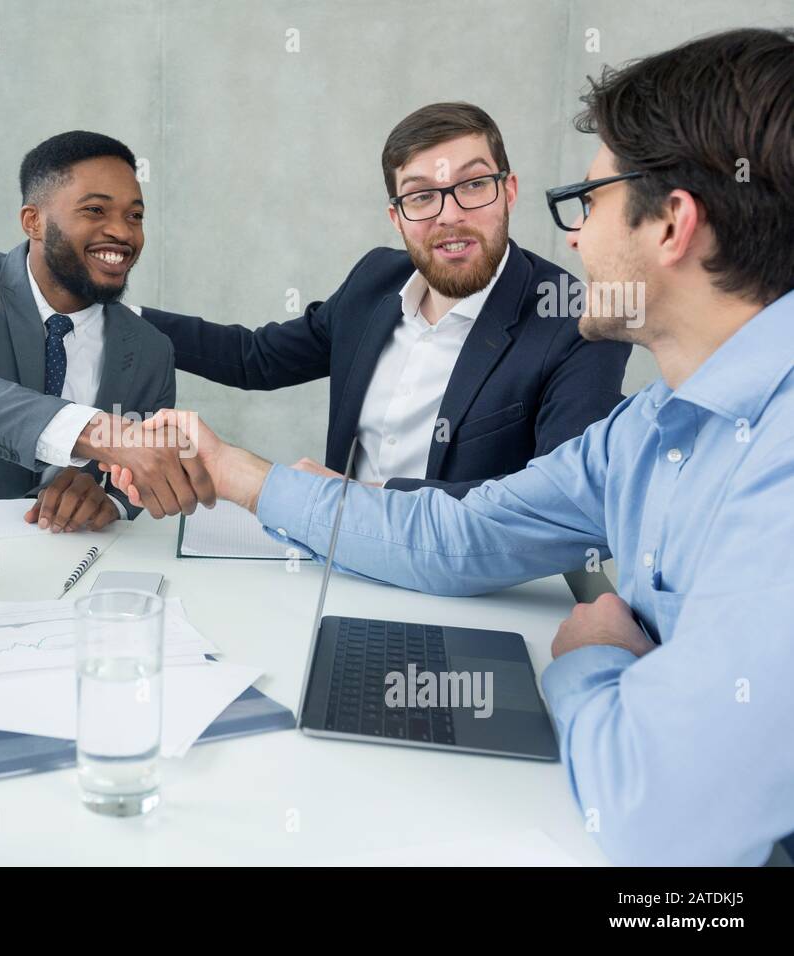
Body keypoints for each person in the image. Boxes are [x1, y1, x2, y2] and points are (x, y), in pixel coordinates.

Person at [111, 29, 794, 865]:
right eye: (421, 197)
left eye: (589, 204)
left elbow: (664, 819)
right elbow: (464, 533)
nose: (575, 238)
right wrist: (235, 471)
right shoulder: (652, 424)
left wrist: (589, 665)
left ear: (673, 226)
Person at [140, 103, 630, 497]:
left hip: (479, 589)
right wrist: (121, 317)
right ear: (396, 218)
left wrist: (359, 501)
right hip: (339, 565)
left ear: (509, 191)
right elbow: (255, 359)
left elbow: (559, 496)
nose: (450, 215)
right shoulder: (375, 281)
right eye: (421, 196)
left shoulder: (575, 318)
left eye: (474, 185)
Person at [0, 130, 213, 533]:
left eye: (135, 215)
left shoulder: (152, 350)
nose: (123, 232)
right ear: (34, 221)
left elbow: (139, 476)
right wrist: (101, 433)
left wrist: (111, 501)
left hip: (73, 556)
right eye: (96, 210)